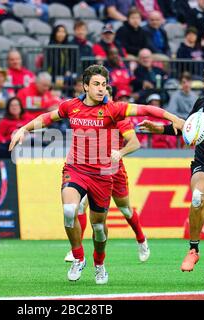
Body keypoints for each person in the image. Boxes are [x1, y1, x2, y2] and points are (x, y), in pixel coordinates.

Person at [9, 64, 184, 284]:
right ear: (85, 86)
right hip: (76, 169)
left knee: (100, 228)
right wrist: (23, 129)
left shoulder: (114, 109)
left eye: (104, 85)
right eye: (96, 84)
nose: (101, 89)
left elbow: (147, 110)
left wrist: (174, 119)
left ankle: (100, 263)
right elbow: (47, 118)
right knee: (70, 209)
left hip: (103, 175)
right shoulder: (70, 106)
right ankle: (78, 257)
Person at [140, 63, 204, 272]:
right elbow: (187, 130)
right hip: (203, 165)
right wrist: (159, 129)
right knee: (197, 196)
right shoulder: (201, 103)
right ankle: (193, 250)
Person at [64, 85, 150, 263]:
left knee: (125, 209)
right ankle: (76, 251)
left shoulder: (118, 117)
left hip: (114, 171)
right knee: (79, 206)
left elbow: (134, 143)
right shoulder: (88, 115)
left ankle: (141, 239)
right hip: (90, 169)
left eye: (107, 95)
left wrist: (120, 152)